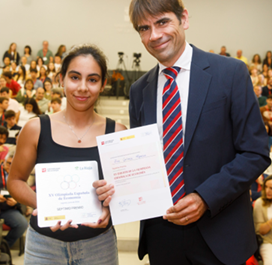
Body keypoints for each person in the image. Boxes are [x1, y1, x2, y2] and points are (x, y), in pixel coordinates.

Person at [95, 1, 270, 264]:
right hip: (161, 235)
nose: (154, 35)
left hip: (221, 233)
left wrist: (205, 197)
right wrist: (114, 187)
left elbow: (255, 152)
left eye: (162, 22)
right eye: (144, 28)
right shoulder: (139, 90)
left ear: (184, 19)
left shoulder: (230, 73)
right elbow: (141, 163)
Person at [7, 44, 125, 264]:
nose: (82, 87)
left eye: (92, 79)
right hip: (44, 246)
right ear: (61, 80)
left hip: (99, 245)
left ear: (103, 85)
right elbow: (15, 180)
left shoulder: (116, 132)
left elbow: (126, 191)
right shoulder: (36, 128)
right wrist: (44, 205)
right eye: (74, 77)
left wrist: (110, 208)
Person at [0, 150, 28, 247]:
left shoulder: (20, 176)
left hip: (8, 209)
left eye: (13, 164)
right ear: (3, 162)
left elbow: (24, 197)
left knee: (22, 224)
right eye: (8, 163)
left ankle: (4, 247)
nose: (10, 166)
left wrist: (16, 203)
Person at [253, 175, 272, 265]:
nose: (268, 191)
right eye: (266, 187)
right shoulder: (260, 203)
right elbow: (260, 231)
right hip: (267, 242)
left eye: (271, 188)